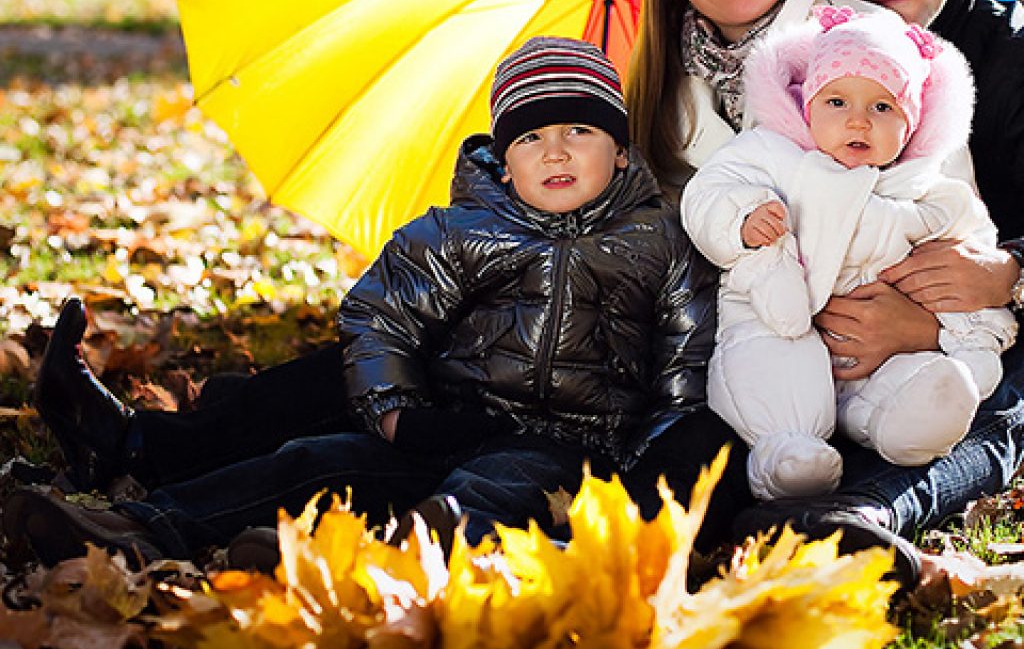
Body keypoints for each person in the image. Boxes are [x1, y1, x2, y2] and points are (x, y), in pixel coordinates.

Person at [7, 36, 743, 569]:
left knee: (495, 488)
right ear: (504, 158)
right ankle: (140, 526)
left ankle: (393, 559)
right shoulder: (460, 232)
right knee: (313, 459)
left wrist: (642, 460)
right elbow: (379, 314)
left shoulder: (659, 242)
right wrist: (395, 411)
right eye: (532, 138)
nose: (555, 152)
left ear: (619, 151)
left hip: (564, 445)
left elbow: (684, 362)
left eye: (580, 131)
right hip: (447, 421)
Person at [624, 0, 1024, 586]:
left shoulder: (863, 46)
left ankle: (858, 516)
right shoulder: (663, 92)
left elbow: (944, 207)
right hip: (757, 353)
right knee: (679, 466)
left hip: (892, 338)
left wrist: (932, 324)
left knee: (970, 403)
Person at [680, 4, 1015, 500]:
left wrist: (967, 343)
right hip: (779, 316)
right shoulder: (772, 153)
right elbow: (707, 193)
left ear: (912, 123)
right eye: (836, 102)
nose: (858, 121)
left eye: (883, 108)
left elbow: (971, 268)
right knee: (771, 364)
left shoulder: (930, 190)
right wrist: (743, 219)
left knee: (921, 387)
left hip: (884, 348)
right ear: (807, 105)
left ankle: (913, 418)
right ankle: (788, 450)